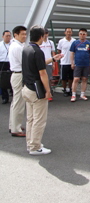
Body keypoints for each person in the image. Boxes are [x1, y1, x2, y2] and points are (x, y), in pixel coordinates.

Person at [22, 25, 63, 155]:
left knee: (31, 119)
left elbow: (38, 63)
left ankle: (31, 143)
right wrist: (48, 90)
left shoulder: (27, 49)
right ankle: (35, 147)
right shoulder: (38, 51)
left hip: (27, 88)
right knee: (39, 120)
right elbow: (43, 73)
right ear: (41, 36)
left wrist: (53, 58)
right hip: (36, 90)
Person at [8, 26, 27, 136]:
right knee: (18, 103)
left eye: (25, 34)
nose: (24, 36)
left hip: (17, 75)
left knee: (16, 102)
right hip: (19, 75)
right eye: (22, 34)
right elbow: (24, 62)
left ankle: (14, 125)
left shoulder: (18, 45)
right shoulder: (17, 47)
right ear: (15, 35)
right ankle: (16, 129)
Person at [70, 28, 90, 102]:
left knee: (84, 79)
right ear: (78, 34)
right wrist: (72, 63)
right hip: (78, 64)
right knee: (76, 79)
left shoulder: (88, 43)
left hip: (86, 64)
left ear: (86, 35)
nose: (82, 35)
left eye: (84, 34)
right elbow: (71, 53)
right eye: (81, 34)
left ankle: (82, 94)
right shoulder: (75, 43)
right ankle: (73, 95)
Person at [57, 27, 75, 96]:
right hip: (64, 62)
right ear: (65, 32)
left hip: (71, 62)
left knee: (71, 77)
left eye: (70, 32)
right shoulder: (61, 41)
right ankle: (64, 89)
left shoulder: (74, 41)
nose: (68, 33)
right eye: (67, 32)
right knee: (64, 78)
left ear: (72, 33)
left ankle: (69, 89)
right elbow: (59, 50)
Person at [39, 28, 55, 97]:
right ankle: (42, 92)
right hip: (41, 63)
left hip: (49, 63)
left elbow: (53, 53)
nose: (45, 35)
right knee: (41, 78)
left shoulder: (51, 42)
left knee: (48, 78)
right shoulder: (40, 42)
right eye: (44, 33)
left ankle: (49, 93)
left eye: (46, 33)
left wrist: (54, 63)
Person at [0, 30, 12, 104]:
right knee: (3, 81)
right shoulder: (0, 45)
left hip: (11, 63)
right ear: (3, 36)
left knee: (12, 79)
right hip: (2, 63)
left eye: (9, 36)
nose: (8, 37)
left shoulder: (13, 44)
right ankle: (5, 97)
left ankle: (13, 96)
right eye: (6, 36)